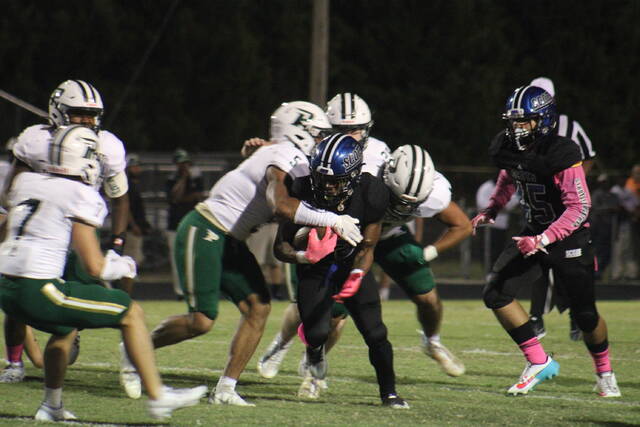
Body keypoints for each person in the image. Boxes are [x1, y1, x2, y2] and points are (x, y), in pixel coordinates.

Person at [119, 101, 363, 406]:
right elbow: (281, 206)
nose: (321, 141)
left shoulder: (287, 156)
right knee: (201, 320)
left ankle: (226, 388)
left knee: (258, 308)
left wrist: (306, 252)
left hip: (232, 239)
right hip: (206, 227)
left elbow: (283, 231)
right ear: (298, 131)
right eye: (317, 134)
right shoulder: (283, 153)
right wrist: (333, 220)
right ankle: (134, 349)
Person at [257, 95, 467, 387]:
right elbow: (289, 158)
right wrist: (267, 149)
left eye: (355, 129)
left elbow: (459, 222)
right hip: (343, 231)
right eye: (340, 129)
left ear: (368, 128)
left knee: (427, 295)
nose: (348, 135)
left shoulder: (384, 155)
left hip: (387, 232)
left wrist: (427, 252)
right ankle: (291, 350)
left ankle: (432, 341)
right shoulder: (324, 154)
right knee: (328, 312)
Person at [0, 125, 206, 421]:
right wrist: (123, 265)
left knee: (63, 330)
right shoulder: (80, 193)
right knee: (130, 312)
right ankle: (158, 396)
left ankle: (52, 406)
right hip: (40, 290)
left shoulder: (26, 181)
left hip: (8, 290)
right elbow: (95, 266)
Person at [470, 84, 620, 397]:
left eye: (524, 120)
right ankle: (539, 361)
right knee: (495, 293)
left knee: (585, 315)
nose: (516, 127)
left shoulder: (561, 151)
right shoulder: (507, 147)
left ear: (544, 120)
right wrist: (493, 207)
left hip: (568, 236)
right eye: (513, 121)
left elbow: (579, 207)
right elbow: (509, 176)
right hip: (533, 230)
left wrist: (544, 237)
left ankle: (605, 372)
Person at [0, 79, 132, 383]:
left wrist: (118, 240)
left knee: (74, 297)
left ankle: (69, 338)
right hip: (42, 227)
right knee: (19, 295)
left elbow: (120, 195)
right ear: (58, 111)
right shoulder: (35, 139)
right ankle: (15, 362)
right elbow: (11, 189)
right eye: (78, 113)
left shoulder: (107, 145)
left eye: (91, 114)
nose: (87, 120)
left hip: (79, 226)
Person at [274, 133, 409, 409]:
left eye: (335, 180)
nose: (327, 187)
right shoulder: (300, 188)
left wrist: (358, 274)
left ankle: (389, 393)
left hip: (350, 264)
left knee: (375, 333)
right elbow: (280, 248)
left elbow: (367, 246)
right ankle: (314, 351)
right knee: (317, 332)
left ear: (355, 175)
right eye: (322, 178)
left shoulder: (371, 192)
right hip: (315, 268)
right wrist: (304, 256)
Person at [528, 77, 598, 340]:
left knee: (572, 261)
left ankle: (576, 317)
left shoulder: (569, 126)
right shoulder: (524, 125)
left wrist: (575, 182)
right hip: (540, 205)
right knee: (537, 258)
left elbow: (588, 156)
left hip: (567, 207)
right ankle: (536, 317)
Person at [165, 148, 206, 299]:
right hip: (175, 224)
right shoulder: (172, 179)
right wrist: (182, 180)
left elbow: (199, 197)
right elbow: (175, 197)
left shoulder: (196, 178)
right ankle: (180, 291)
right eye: (181, 163)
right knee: (177, 259)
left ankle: (193, 288)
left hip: (193, 225)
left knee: (195, 257)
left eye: (186, 163)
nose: (184, 166)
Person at [476, 177, 520, 274]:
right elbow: (483, 205)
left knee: (499, 250)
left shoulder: (508, 188)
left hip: (501, 226)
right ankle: (487, 272)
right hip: (486, 227)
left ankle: (496, 272)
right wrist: (500, 207)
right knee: (486, 251)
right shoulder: (486, 187)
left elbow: (513, 202)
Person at [124, 154, 152, 268]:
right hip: (131, 230)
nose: (137, 169)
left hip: (135, 228)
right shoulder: (127, 185)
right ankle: (123, 286)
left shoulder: (133, 185)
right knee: (130, 262)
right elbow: (126, 207)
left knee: (135, 260)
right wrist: (133, 225)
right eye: (134, 167)